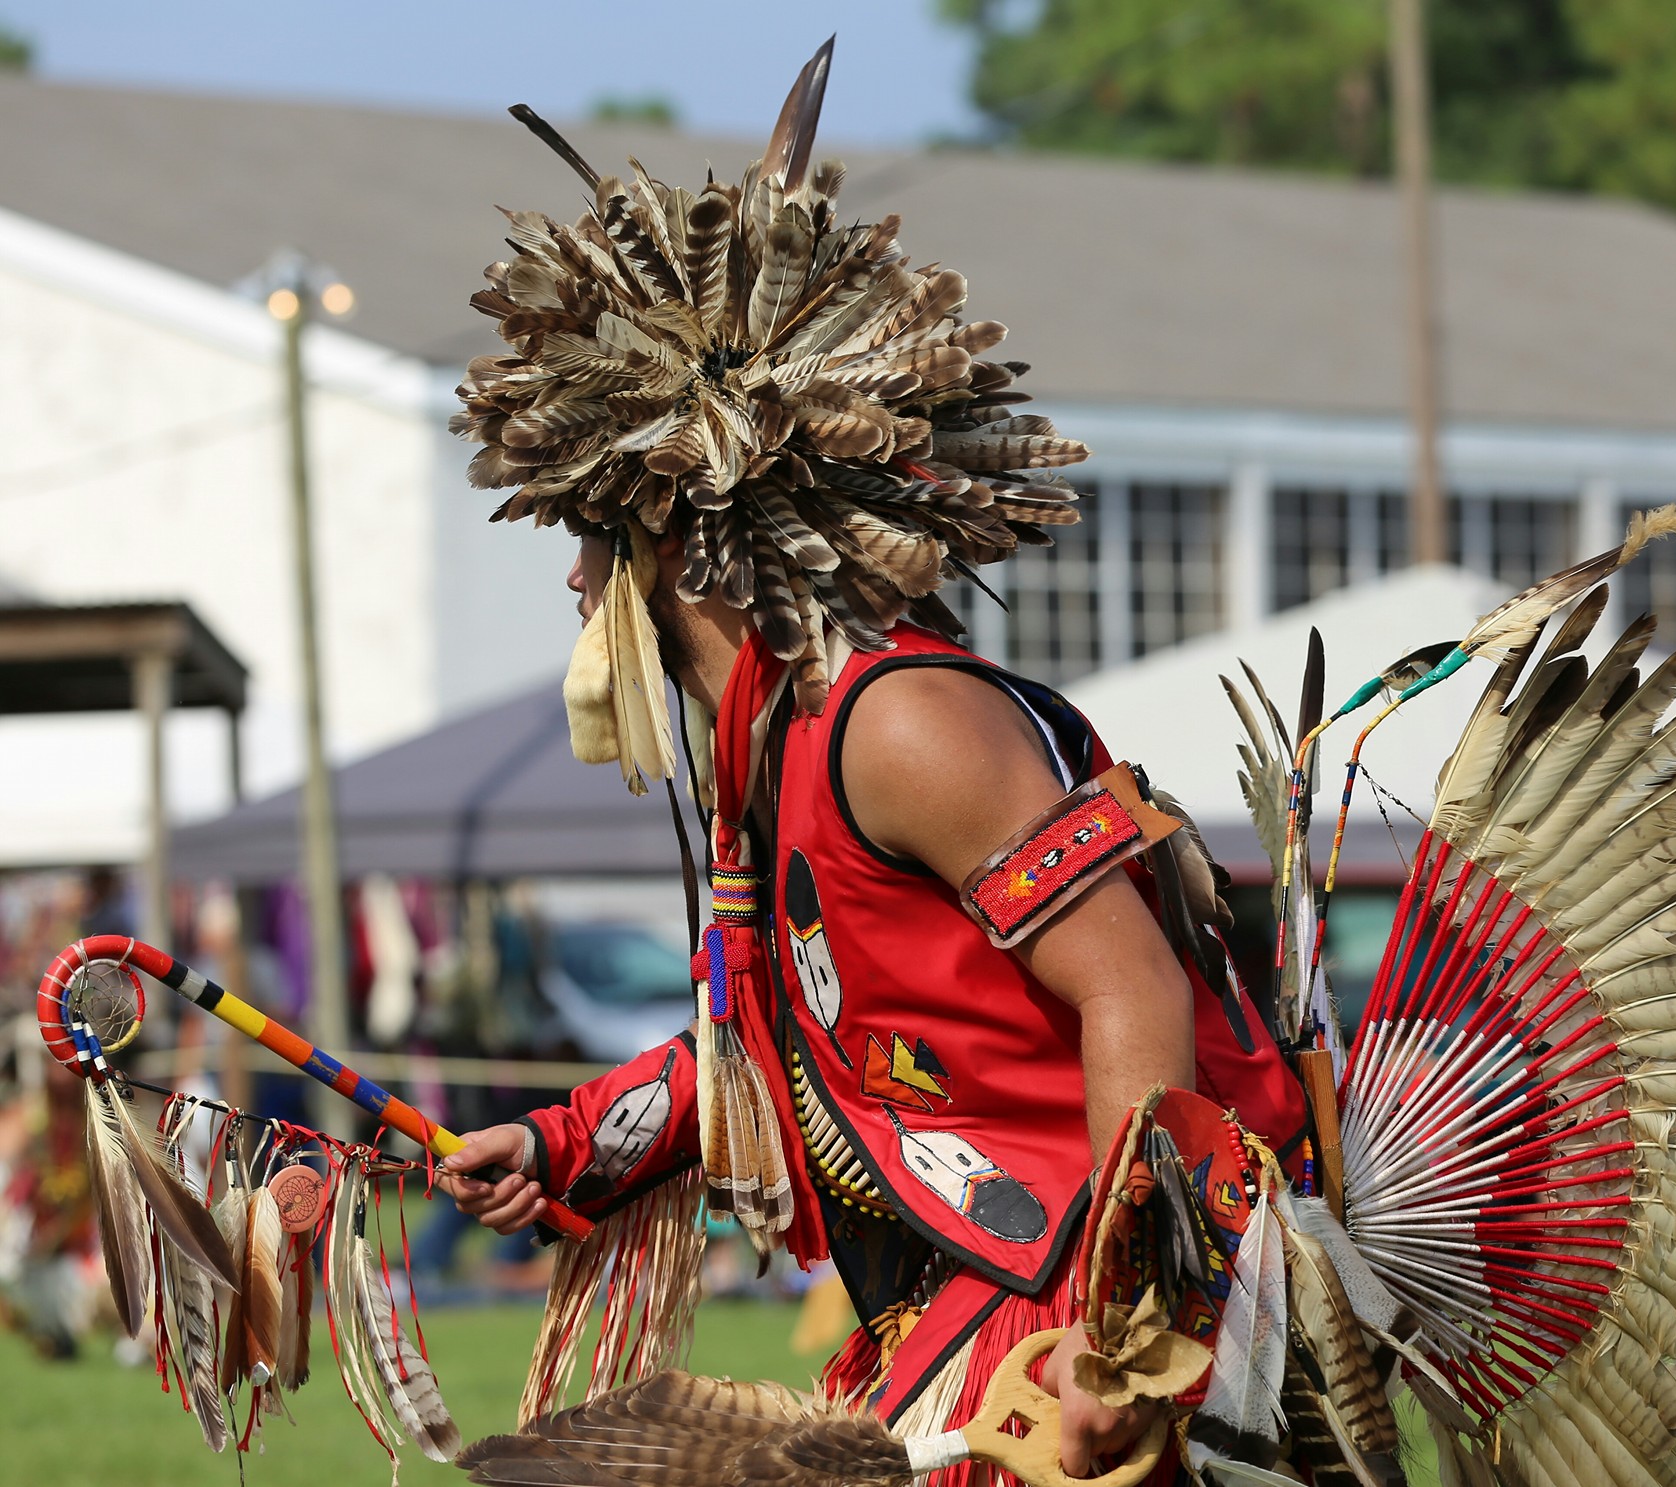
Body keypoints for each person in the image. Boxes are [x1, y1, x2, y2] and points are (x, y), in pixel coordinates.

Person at [433, 41, 1308, 1479]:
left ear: (675, 545)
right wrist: (567, 1142)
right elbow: (792, 1038)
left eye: (593, 541)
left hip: (1083, 1305)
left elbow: (1133, 989)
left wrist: (1123, 1331)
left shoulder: (898, 722)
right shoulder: (776, 749)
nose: (578, 585)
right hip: (971, 1293)